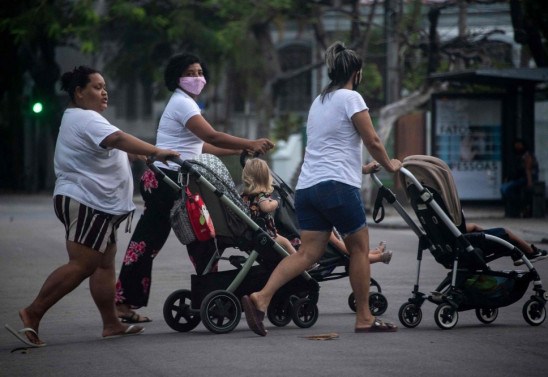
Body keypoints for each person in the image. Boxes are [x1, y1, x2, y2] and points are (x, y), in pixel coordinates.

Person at [4, 66, 180, 348]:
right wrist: (154, 150)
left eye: (104, 86)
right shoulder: (85, 118)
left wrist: (137, 153)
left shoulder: (87, 119)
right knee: (83, 264)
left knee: (103, 265)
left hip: (99, 203)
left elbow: (114, 144)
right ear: (79, 92)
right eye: (97, 87)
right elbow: (117, 139)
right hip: (87, 201)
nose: (104, 91)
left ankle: (111, 323)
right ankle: (33, 312)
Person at [241, 41, 402, 336]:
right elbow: (374, 142)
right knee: (359, 249)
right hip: (337, 188)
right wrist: (391, 166)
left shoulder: (319, 101)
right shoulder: (351, 98)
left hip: (308, 189)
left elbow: (330, 149)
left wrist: (361, 169)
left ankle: (260, 298)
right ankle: (365, 317)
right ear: (356, 71)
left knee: (307, 255)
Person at [115, 53, 275, 323]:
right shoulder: (182, 103)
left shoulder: (186, 103)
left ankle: (131, 301)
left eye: (199, 72)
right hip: (169, 181)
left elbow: (203, 146)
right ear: (176, 78)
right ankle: (208, 290)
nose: (197, 77)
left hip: (169, 180)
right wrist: (248, 143)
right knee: (197, 237)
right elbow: (211, 135)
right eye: (189, 73)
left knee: (164, 241)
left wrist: (239, 149)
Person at [241, 158, 298, 257]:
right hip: (264, 232)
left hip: (251, 231)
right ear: (266, 177)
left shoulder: (244, 195)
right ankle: (300, 262)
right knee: (286, 242)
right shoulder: (260, 195)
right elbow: (266, 207)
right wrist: (276, 202)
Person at [465, 223, 548, 266]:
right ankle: (531, 252)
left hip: (466, 244)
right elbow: (470, 227)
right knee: (504, 231)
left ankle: (517, 255)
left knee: (504, 238)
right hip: (471, 244)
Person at [500, 139, 539, 217]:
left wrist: (529, 182)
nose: (517, 146)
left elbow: (528, 169)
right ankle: (515, 205)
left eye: (519, 145)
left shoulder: (527, 155)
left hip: (525, 179)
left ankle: (519, 205)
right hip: (518, 178)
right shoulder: (517, 155)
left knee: (505, 188)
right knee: (504, 188)